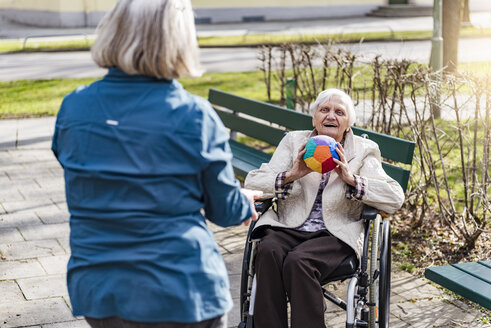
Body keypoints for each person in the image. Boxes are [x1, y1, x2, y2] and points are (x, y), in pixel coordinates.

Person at [51, 0, 262, 327]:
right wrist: (244, 201)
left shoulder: (73, 107)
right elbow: (224, 210)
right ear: (178, 42)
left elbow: (86, 175)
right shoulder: (193, 116)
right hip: (179, 290)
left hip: (99, 288)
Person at [244, 88, 404, 328]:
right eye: (324, 110)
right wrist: (290, 175)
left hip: (335, 233)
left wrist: (353, 180)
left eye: (339, 112)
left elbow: (394, 197)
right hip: (289, 225)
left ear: (348, 123)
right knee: (267, 251)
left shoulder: (362, 150)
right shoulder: (294, 142)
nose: (331, 116)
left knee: (299, 262)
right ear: (314, 118)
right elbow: (253, 181)